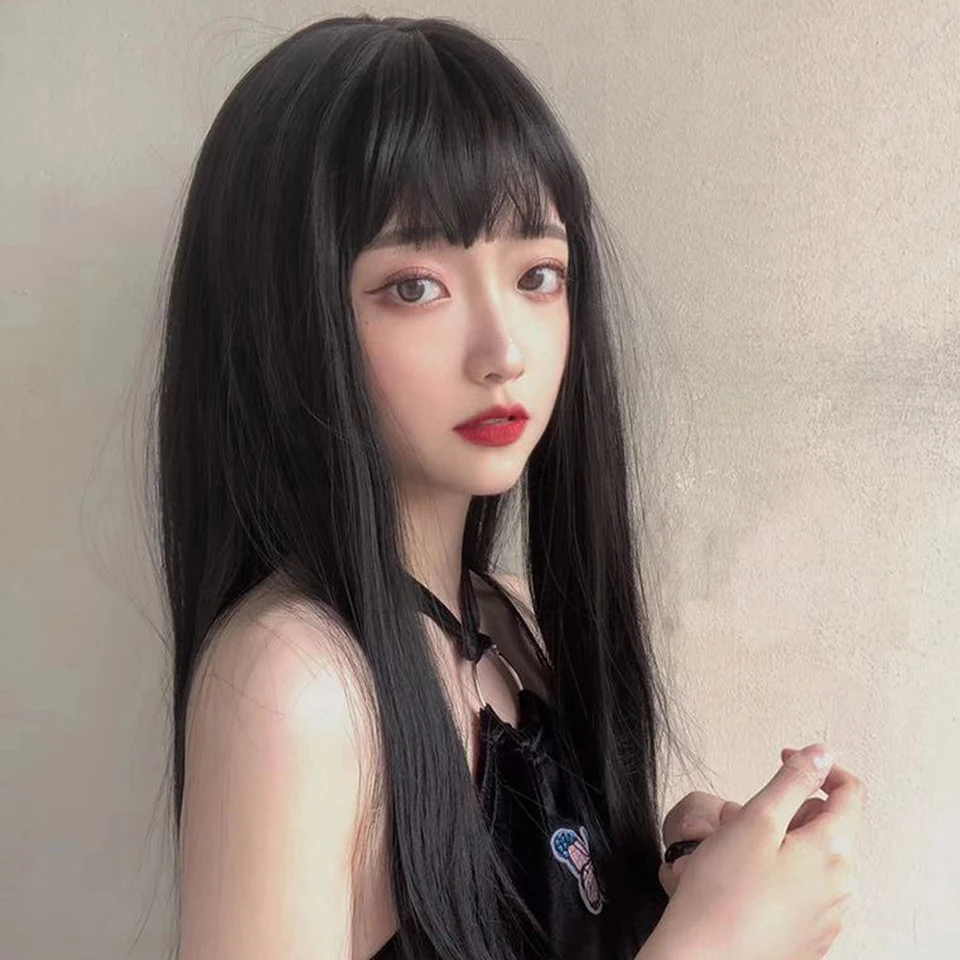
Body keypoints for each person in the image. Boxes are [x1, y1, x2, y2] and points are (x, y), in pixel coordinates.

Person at [154, 14, 866, 960]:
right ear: (283, 320)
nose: (504, 352)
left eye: (538, 274)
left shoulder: (511, 628)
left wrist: (680, 896)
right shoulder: (299, 687)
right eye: (415, 286)